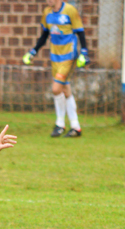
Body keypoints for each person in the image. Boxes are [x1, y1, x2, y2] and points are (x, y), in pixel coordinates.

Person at [23, 0, 89, 138]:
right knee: (65, 89)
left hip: (69, 56)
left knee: (56, 89)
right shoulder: (47, 12)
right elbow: (44, 35)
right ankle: (75, 127)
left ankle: (60, 124)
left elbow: (80, 32)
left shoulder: (70, 10)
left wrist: (84, 52)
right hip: (55, 57)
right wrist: (33, 51)